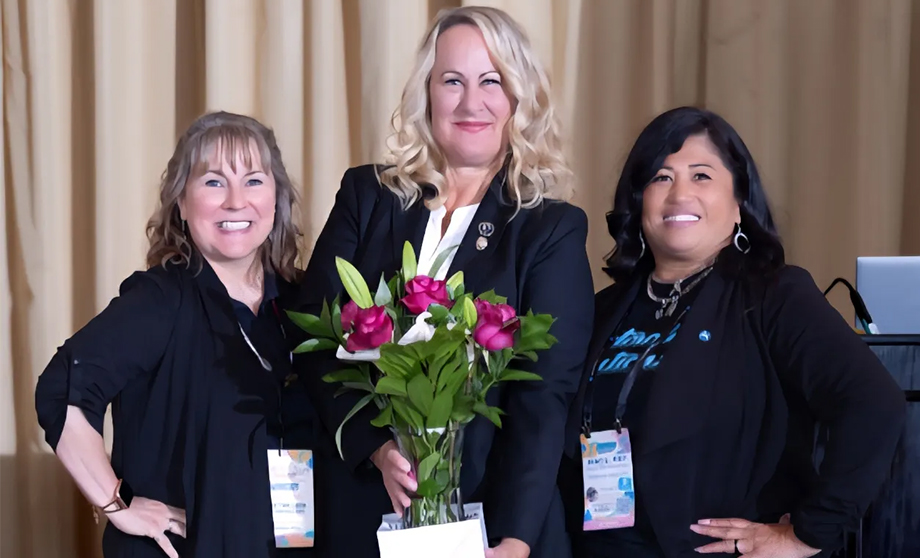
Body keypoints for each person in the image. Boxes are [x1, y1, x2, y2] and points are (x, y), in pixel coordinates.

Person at [292, 6, 594, 558]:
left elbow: (544, 394)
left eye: (491, 81)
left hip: (490, 517)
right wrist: (376, 448)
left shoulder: (550, 228)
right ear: (427, 93)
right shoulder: (367, 196)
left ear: (519, 97)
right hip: (367, 504)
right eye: (451, 81)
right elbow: (316, 339)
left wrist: (516, 538)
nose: (470, 102)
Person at [561, 106, 907, 558]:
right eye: (661, 177)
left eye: (701, 176)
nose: (679, 193)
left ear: (739, 201)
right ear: (638, 200)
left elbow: (874, 402)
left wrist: (810, 531)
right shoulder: (601, 310)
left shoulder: (774, 296)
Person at [34, 111, 318, 557]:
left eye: (254, 180)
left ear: (277, 197)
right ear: (181, 203)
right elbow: (62, 390)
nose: (235, 201)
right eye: (213, 182)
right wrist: (117, 503)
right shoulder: (160, 301)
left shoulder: (305, 303)